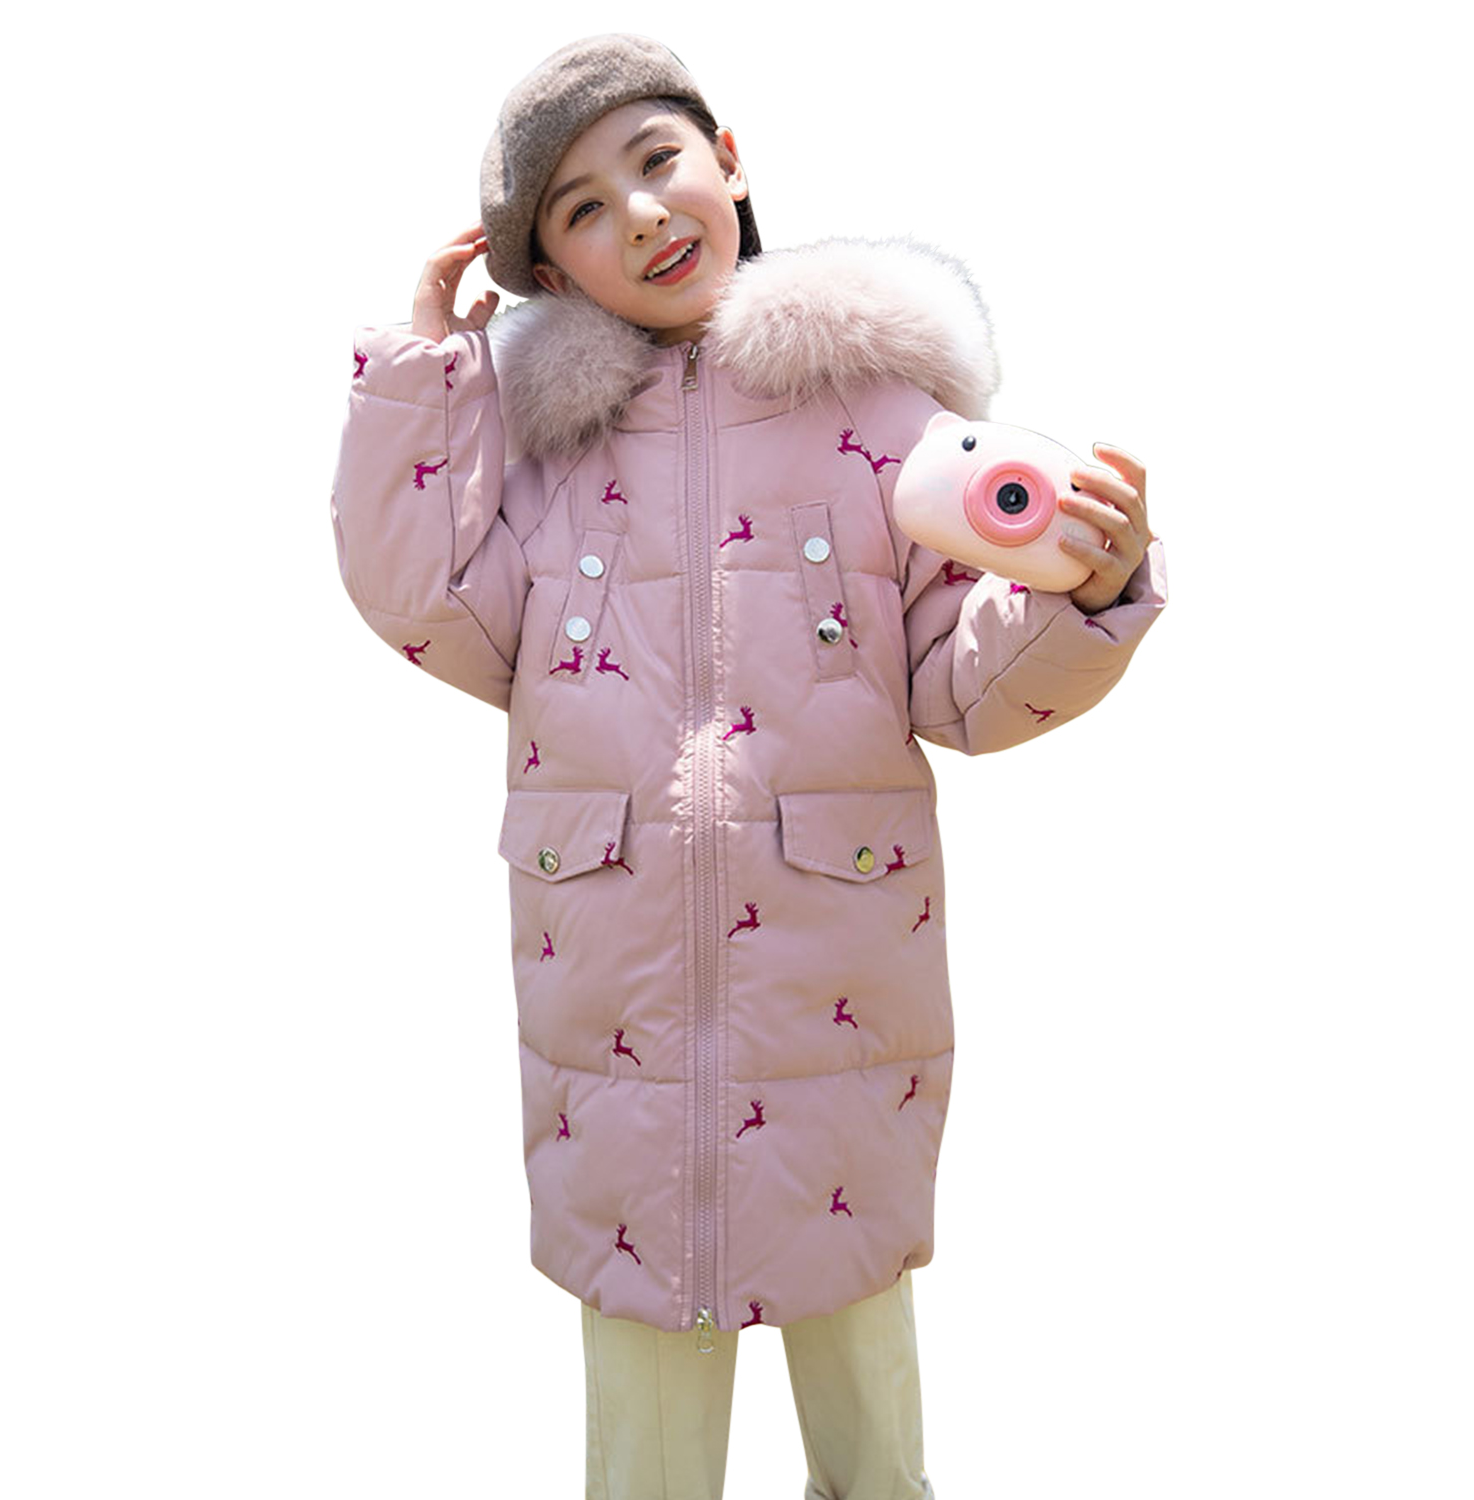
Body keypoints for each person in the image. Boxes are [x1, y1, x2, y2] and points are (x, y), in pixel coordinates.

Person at [329, 32, 1167, 1500]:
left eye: (658, 161)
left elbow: (964, 686)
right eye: (584, 209)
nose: (642, 214)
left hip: (841, 987)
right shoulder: (540, 454)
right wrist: (422, 374)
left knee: (864, 1376)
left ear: (728, 159)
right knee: (644, 1403)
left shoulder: (881, 416)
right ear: (549, 270)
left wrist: (1083, 593)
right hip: (614, 1012)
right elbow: (425, 603)